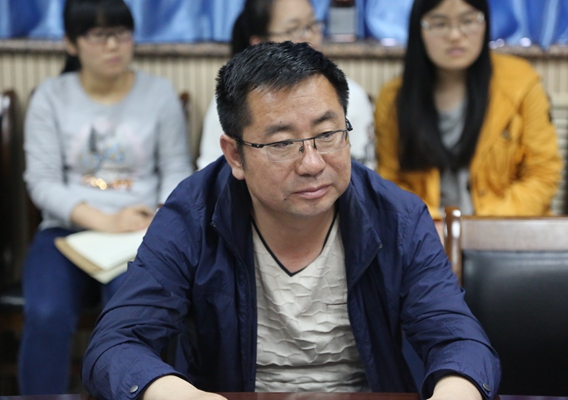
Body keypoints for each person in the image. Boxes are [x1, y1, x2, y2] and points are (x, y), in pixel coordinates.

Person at [83, 41, 500, 400]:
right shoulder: (193, 214)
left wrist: (455, 390)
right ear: (235, 155)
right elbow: (116, 344)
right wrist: (178, 394)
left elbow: (459, 340)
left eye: (328, 134)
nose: (313, 163)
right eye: (283, 143)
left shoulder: (397, 216)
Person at [20, 0, 192, 394]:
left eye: (121, 33)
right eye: (99, 35)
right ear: (71, 42)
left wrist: (159, 218)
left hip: (141, 235)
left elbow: (177, 172)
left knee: (134, 319)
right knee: (45, 312)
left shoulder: (159, 93)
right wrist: (107, 221)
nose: (113, 45)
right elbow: (42, 182)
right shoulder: (50, 96)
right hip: (65, 234)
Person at [375, 0, 563, 219]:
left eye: (467, 21)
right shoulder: (393, 98)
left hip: (505, 228)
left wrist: (483, 226)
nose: (455, 35)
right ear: (419, 29)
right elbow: (390, 182)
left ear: (485, 23)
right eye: (440, 24)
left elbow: (543, 174)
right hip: (425, 232)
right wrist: (432, 226)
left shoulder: (522, 84)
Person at [196, 0, 375, 170]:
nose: (309, 37)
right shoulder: (235, 102)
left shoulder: (351, 95)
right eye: (294, 29)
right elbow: (211, 173)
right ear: (259, 43)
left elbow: (363, 170)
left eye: (313, 25)